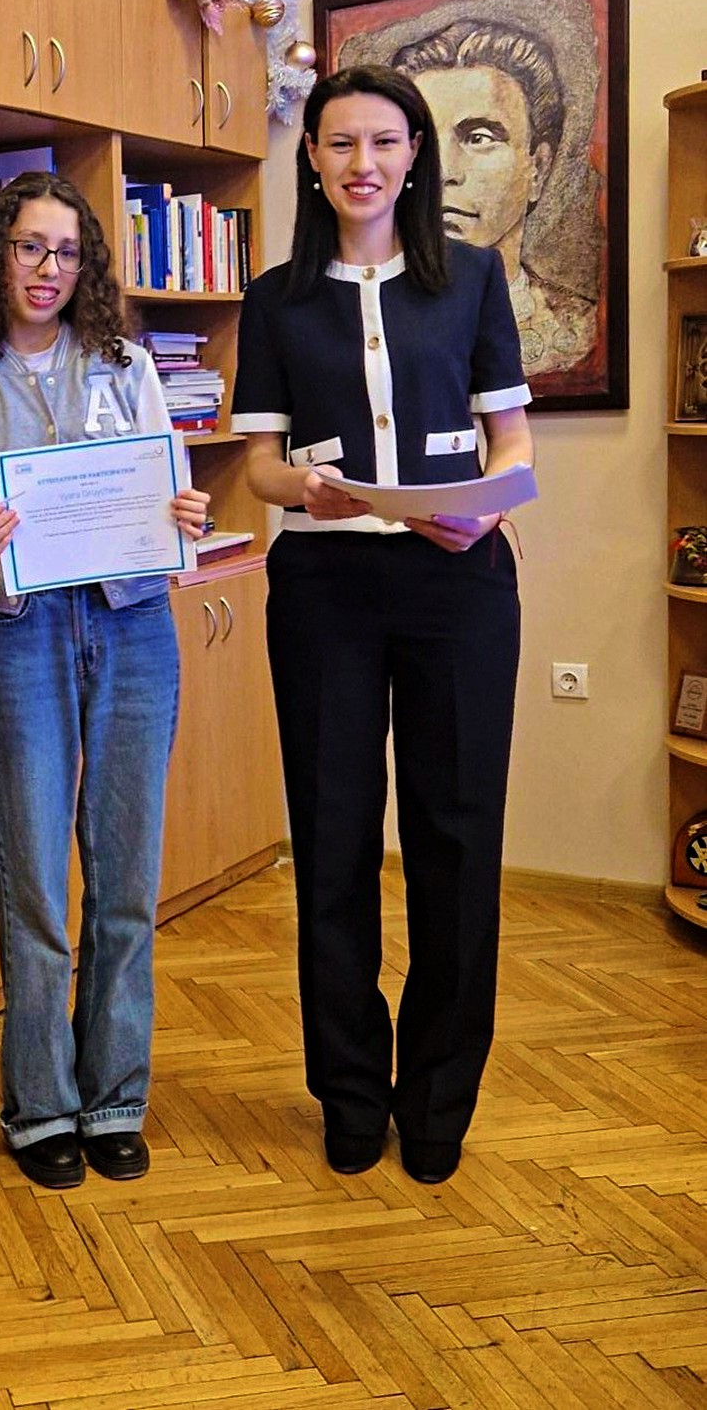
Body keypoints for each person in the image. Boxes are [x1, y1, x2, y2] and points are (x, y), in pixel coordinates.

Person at [232, 66, 534, 1185]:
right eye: (340, 142)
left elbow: (511, 441)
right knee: (334, 840)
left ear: (414, 155)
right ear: (311, 157)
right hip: (326, 591)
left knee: (456, 838)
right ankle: (351, 1093)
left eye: (385, 141)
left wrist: (483, 510)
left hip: (458, 584)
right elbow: (259, 463)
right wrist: (300, 492)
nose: (363, 163)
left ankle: (440, 1098)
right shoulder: (277, 298)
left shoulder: (472, 278)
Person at [0, 171, 209, 1190]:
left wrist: (184, 516)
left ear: (84, 267)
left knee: (126, 879)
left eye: (66, 252)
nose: (47, 269)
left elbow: (174, 494)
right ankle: (41, 1104)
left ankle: (116, 1095)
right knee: (34, 885)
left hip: (133, 627)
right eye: (28, 247)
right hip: (24, 637)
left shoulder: (125, 366)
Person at [392, 19, 598, 379]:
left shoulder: (575, 325)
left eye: (479, 138)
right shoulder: (372, 318)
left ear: (537, 168)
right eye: (422, 145)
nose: (443, 172)